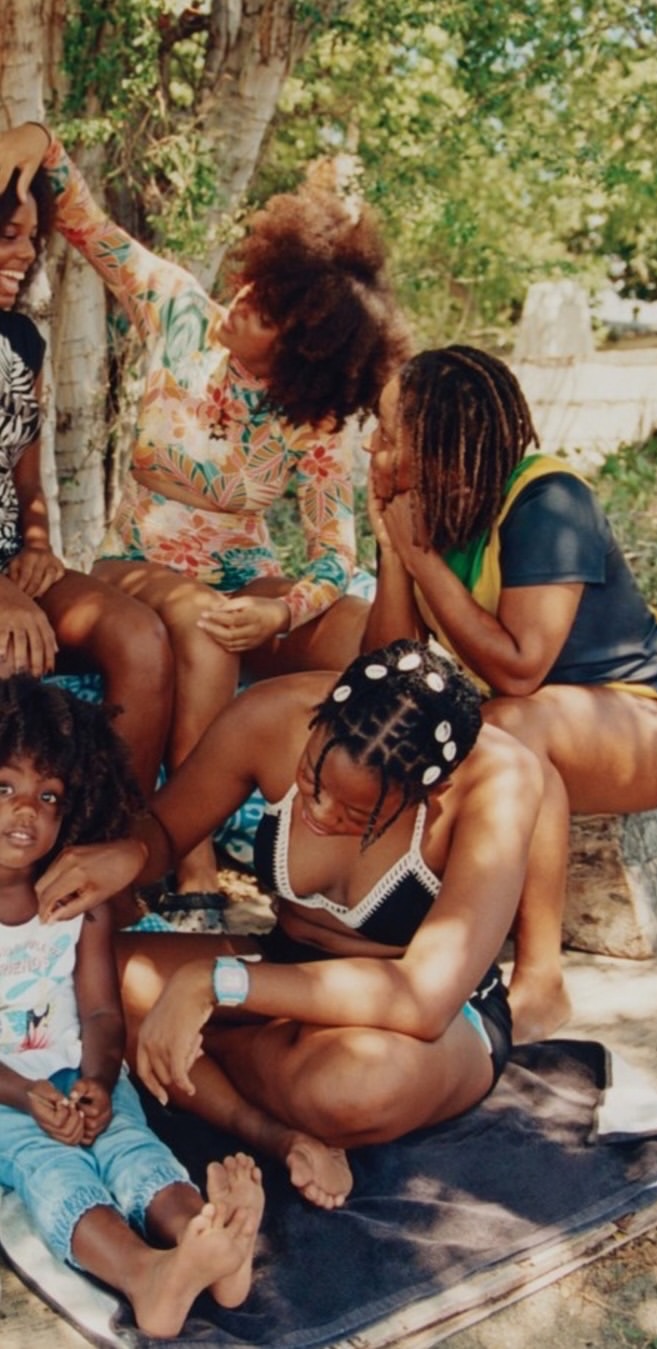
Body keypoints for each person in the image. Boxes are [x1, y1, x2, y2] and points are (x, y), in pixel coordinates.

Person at [0, 120, 411, 901]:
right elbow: (88, 222)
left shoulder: (314, 420)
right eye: (255, 285)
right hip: (138, 564)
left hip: (244, 580)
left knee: (363, 632)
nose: (243, 299)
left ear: (298, 348)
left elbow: (333, 555)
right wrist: (34, 146)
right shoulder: (181, 313)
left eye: (265, 311)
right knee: (202, 621)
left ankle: (340, 841)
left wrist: (283, 612)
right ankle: (187, 855)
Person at [35, 639, 543, 1210]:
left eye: (356, 815)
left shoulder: (500, 784)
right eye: (311, 781)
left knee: (353, 1089)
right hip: (284, 967)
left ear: (431, 789)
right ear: (321, 719)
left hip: (426, 1017)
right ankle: (279, 1134)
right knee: (85, 976)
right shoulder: (272, 714)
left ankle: (202, 1052)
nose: (321, 814)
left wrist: (212, 983)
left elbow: (422, 999)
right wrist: (129, 854)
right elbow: (165, 832)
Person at [360, 346, 657, 1043]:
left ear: (438, 443)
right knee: (494, 733)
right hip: (539, 726)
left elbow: (524, 667)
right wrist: (397, 555)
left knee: (510, 728)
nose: (372, 447)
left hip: (655, 720)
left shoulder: (549, 500)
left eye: (388, 431)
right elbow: (390, 668)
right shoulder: (420, 512)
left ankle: (542, 982)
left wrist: (425, 559)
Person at [0, 675, 264, 1338]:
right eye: (3, 787)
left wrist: (97, 1077)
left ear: (72, 809)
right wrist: (28, 1094)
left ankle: (208, 1241)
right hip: (5, 1097)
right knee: (51, 1166)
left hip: (78, 1075)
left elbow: (99, 1011)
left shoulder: (74, 904)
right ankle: (142, 1273)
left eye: (48, 795)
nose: (24, 811)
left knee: (132, 1145)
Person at [0, 162, 172, 800]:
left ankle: (114, 849)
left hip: (14, 563)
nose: (24, 255)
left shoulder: (22, 342)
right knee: (13, 658)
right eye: (8, 236)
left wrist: (37, 546)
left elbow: (27, 479)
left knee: (141, 638)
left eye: (32, 239)